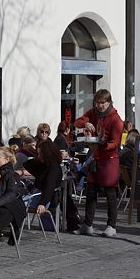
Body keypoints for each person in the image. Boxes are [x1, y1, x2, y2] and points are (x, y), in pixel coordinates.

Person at [74, 89, 124, 237]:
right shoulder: (94, 112)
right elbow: (77, 122)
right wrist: (86, 123)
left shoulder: (116, 120)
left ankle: (111, 225)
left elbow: (115, 143)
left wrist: (101, 145)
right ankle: (87, 224)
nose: (100, 106)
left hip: (109, 159)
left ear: (109, 102)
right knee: (91, 191)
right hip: (96, 157)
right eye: (98, 102)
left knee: (110, 193)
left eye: (103, 103)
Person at [23, 138, 80, 234]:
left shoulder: (53, 168)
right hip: (38, 194)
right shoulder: (45, 165)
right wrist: (35, 155)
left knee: (15, 203)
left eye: (41, 153)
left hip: (42, 197)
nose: (39, 156)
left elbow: (49, 186)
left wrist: (42, 203)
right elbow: (27, 164)